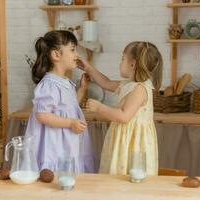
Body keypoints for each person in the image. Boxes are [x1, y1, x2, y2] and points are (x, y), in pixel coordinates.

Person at [78, 41, 163, 175]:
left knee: (130, 175)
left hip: (134, 146)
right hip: (125, 140)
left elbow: (124, 116)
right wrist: (88, 68)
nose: (120, 62)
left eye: (122, 59)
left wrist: (99, 107)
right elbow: (106, 83)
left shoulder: (140, 89)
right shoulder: (130, 84)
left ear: (132, 64)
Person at [25, 30, 95, 173]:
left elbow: (69, 107)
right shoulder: (49, 85)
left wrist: (81, 89)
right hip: (55, 142)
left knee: (68, 169)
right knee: (57, 170)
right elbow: (42, 115)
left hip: (66, 139)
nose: (77, 55)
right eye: (73, 50)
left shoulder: (64, 81)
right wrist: (70, 123)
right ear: (56, 55)